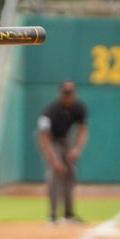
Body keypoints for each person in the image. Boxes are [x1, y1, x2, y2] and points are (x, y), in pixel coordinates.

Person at [37, 80, 88, 224]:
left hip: (66, 140)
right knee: (54, 174)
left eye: (71, 93)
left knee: (70, 173)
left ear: (75, 94)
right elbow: (44, 138)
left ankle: (69, 214)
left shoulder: (79, 107)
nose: (68, 96)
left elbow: (83, 130)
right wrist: (55, 161)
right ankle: (52, 215)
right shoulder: (50, 110)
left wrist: (77, 149)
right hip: (51, 141)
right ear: (61, 94)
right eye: (66, 93)